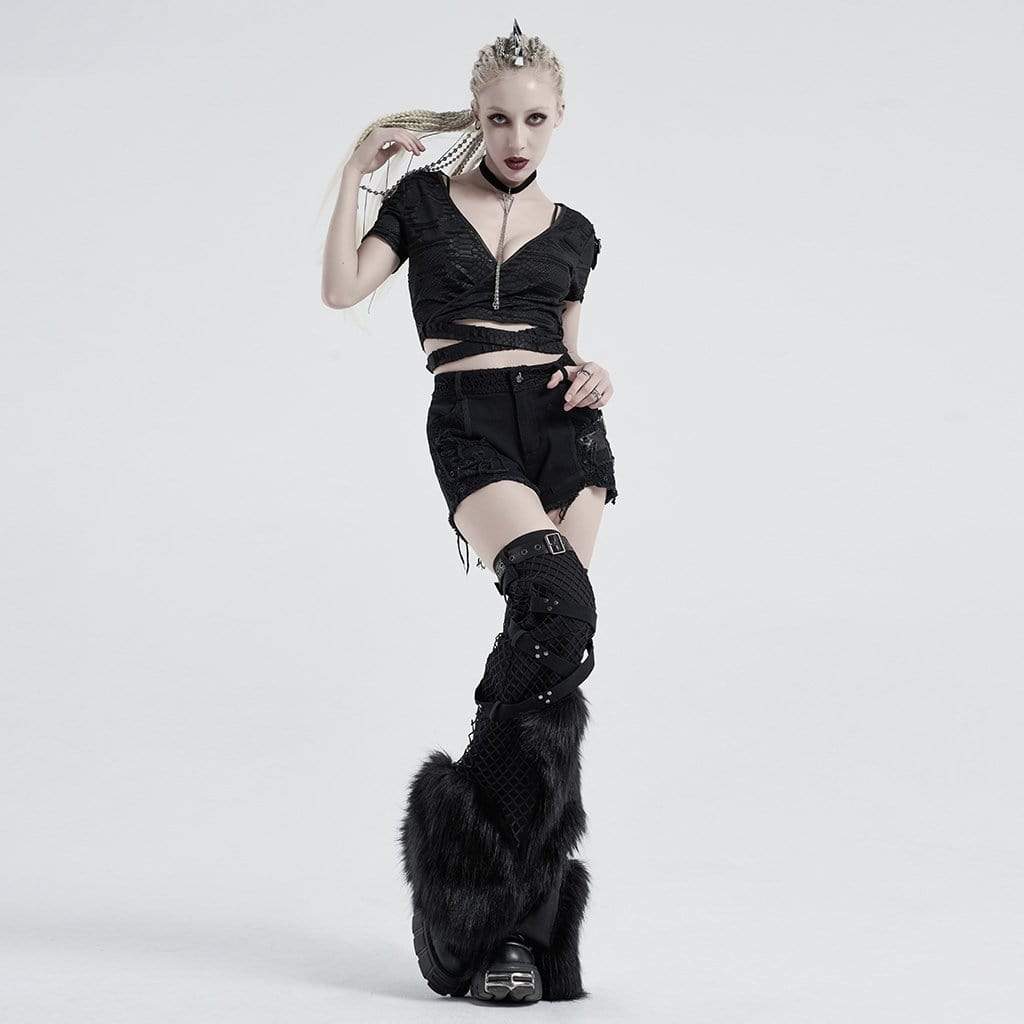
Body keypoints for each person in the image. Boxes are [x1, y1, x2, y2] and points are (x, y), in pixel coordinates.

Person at [320, 21, 619, 1004]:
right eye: (498, 119)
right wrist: (356, 171)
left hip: (564, 433)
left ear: (559, 117)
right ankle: (481, 889)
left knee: (552, 656)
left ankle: (509, 930)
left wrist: (597, 376)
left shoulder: (576, 232)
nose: (516, 138)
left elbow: (568, 343)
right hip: (473, 424)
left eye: (534, 119)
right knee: (553, 608)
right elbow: (340, 289)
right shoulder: (419, 202)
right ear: (477, 117)